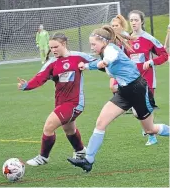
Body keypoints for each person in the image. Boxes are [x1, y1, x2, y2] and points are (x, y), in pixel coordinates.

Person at [67, 25, 169, 172]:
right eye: (91, 44)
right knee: (101, 122)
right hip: (124, 92)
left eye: (94, 44)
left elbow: (111, 57)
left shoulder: (110, 49)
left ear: (103, 41)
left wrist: (105, 62)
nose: (92, 47)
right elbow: (100, 63)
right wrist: (87, 66)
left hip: (138, 90)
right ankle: (88, 160)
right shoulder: (104, 52)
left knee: (150, 129)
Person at [17, 32, 99, 166]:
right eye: (51, 48)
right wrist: (26, 86)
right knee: (69, 130)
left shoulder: (78, 57)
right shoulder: (52, 63)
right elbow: (40, 77)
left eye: (56, 47)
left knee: (49, 126)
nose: (53, 50)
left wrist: (110, 67)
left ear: (64, 44)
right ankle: (80, 151)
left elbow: (98, 63)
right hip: (61, 103)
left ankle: (43, 157)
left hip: (74, 103)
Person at [126, 10, 168, 145]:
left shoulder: (149, 39)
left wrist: (151, 62)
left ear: (142, 22)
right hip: (132, 81)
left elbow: (164, 55)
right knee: (137, 111)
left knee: (143, 109)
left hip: (147, 81)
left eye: (136, 20)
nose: (133, 23)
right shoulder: (127, 40)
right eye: (131, 20)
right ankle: (150, 130)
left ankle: (152, 136)